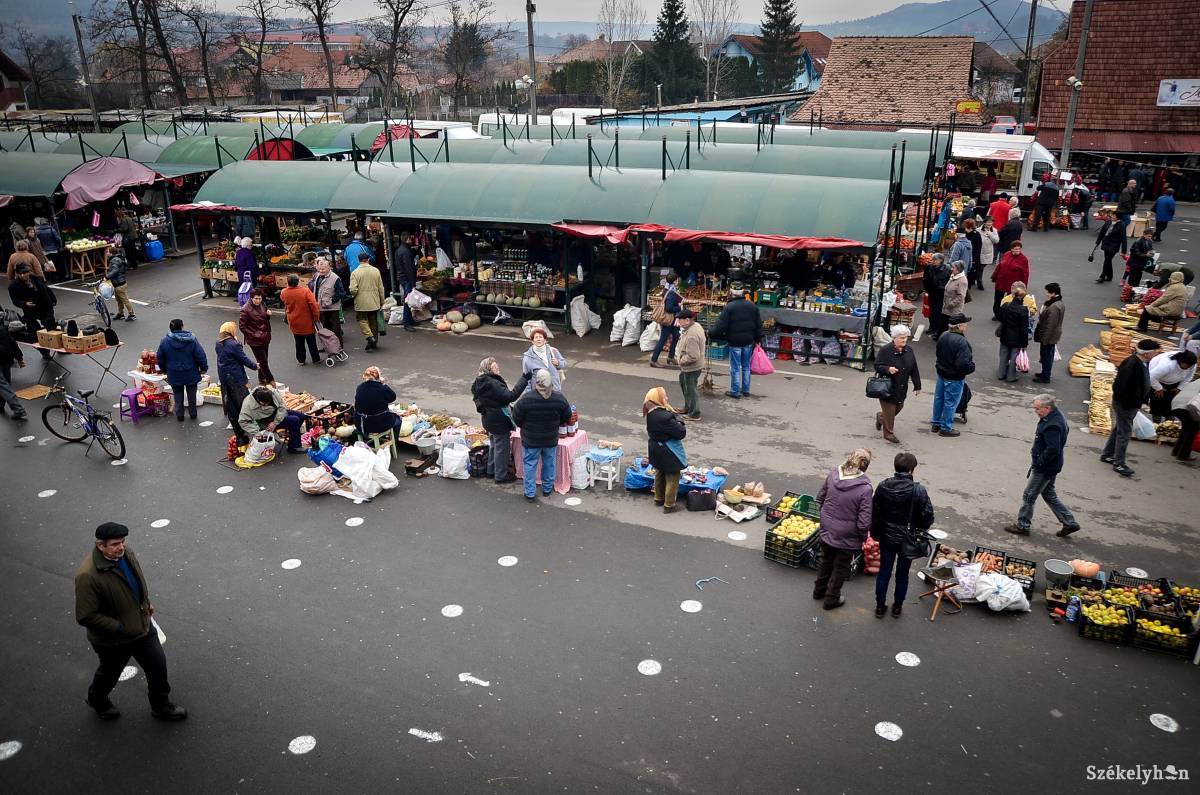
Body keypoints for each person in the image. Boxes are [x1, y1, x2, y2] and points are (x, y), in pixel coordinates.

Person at [75, 522, 187, 721]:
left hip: (142, 627)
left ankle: (161, 705)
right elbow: (86, 615)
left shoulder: (126, 554)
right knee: (110, 674)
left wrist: (145, 602)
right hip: (113, 640)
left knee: (157, 666)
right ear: (100, 545)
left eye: (122, 542)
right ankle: (97, 699)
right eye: (115, 544)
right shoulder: (88, 576)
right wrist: (119, 628)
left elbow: (135, 582)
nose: (121, 547)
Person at [1004, 394, 1081, 538]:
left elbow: (1053, 448)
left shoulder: (1053, 425)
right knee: (1049, 494)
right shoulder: (1056, 416)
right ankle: (1069, 522)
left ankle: (1023, 525)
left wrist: (1039, 461)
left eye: (1038, 408)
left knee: (1029, 495)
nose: (1036, 411)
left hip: (1045, 468)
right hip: (1052, 465)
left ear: (1047, 408)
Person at [871, 452, 935, 618]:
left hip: (887, 536)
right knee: (902, 574)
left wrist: (876, 534)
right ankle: (897, 607)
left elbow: (875, 513)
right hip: (908, 539)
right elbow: (928, 517)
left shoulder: (883, 486)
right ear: (912, 470)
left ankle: (879, 607)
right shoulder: (918, 490)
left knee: (884, 572)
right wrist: (918, 529)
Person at [813, 449, 873, 610]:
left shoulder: (833, 475)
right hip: (847, 536)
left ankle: (819, 590)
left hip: (827, 528)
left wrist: (826, 520)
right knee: (840, 567)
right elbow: (864, 521)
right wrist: (862, 538)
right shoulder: (865, 488)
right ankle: (831, 598)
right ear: (865, 465)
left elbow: (820, 498)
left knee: (825, 559)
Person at [1101, 339, 1160, 477]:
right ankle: (1119, 463)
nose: (1156, 355)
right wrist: (1127, 403)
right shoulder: (1131, 364)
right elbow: (1119, 386)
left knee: (1119, 429)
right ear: (1147, 354)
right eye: (1155, 352)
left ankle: (1107, 454)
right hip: (1126, 405)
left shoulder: (1141, 363)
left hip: (1130, 404)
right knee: (1124, 433)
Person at [511, 369, 572, 503]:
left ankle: (530, 493)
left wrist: (524, 426)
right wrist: (557, 422)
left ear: (536, 382)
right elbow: (567, 416)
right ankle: (547, 488)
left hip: (530, 439)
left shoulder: (526, 399)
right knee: (549, 464)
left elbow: (516, 418)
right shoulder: (559, 398)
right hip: (550, 439)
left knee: (530, 465)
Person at [472, 357, 528, 483]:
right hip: (498, 421)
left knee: (494, 445)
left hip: (488, 419)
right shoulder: (492, 383)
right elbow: (510, 396)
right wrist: (524, 379)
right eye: (495, 367)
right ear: (488, 370)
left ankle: (491, 471)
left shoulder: (480, 381)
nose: (498, 368)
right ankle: (500, 476)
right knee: (502, 449)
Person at [710, 288, 762, 399]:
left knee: (735, 367)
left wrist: (711, 333)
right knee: (746, 366)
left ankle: (735, 391)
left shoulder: (729, 307)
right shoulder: (752, 306)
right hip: (748, 340)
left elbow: (721, 325)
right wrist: (758, 339)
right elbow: (758, 324)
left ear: (732, 294)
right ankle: (746, 390)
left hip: (735, 341)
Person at [643, 386, 687, 513]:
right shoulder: (666, 416)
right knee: (673, 476)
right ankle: (669, 505)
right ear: (658, 399)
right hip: (668, 450)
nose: (667, 398)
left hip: (655, 448)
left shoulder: (650, 413)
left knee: (660, 473)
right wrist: (679, 419)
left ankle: (658, 498)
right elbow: (681, 433)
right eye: (664, 396)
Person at [873, 325, 920, 443]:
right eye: (901, 338)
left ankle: (881, 417)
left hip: (901, 387)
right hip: (887, 387)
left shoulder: (909, 350)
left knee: (898, 407)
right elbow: (877, 366)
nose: (904, 340)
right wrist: (888, 369)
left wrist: (917, 385)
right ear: (894, 338)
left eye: (905, 338)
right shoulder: (885, 350)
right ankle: (888, 434)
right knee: (890, 410)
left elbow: (914, 368)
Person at [155, 319, 208, 421]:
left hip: (174, 373)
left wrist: (164, 369)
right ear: (182, 327)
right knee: (192, 393)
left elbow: (160, 357)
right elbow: (200, 355)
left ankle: (180, 415)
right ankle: (193, 413)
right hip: (191, 371)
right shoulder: (191, 339)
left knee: (178, 393)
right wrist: (203, 368)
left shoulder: (165, 341)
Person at [216, 322, 258, 444]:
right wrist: (255, 366)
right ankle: (246, 429)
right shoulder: (233, 344)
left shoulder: (218, 343)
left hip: (224, 378)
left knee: (231, 405)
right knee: (243, 404)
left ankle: (238, 433)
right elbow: (243, 358)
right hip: (236, 378)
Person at [931, 314, 973, 437]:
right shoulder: (962, 342)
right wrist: (971, 367)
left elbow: (938, 353)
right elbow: (963, 364)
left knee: (939, 398)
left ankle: (936, 423)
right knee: (950, 402)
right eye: (965, 324)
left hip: (942, 372)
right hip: (954, 377)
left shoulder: (943, 335)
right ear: (960, 326)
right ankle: (946, 427)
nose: (966, 325)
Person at [238, 386, 304, 453]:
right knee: (294, 420)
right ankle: (294, 447)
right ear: (258, 400)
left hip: (277, 415)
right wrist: (256, 433)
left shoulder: (272, 392)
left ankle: (292, 437)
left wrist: (275, 422)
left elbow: (282, 406)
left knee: (301, 416)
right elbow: (243, 421)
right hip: (265, 422)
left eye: (268, 402)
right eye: (264, 404)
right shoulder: (248, 404)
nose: (266, 404)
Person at [280, 274, 320, 365]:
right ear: (298, 281)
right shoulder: (305, 291)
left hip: (293, 321)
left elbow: (284, 302)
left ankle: (301, 360)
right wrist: (316, 318)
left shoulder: (284, 292)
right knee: (311, 341)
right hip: (307, 320)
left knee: (298, 342)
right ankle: (315, 358)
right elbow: (314, 306)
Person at [349, 252, 385, 350]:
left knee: (361, 319)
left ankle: (369, 336)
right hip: (374, 300)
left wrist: (354, 295)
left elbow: (353, 289)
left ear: (358, 260)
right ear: (368, 259)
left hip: (361, 302)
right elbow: (381, 287)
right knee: (373, 321)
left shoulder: (355, 273)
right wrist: (382, 300)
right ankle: (374, 342)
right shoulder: (376, 271)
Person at [1148, 350, 1198, 420]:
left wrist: (1180, 387)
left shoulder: (1192, 365)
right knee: (1157, 396)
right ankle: (1156, 414)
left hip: (1175, 380)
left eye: (1190, 366)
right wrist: (1158, 388)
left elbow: (1189, 377)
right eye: (1187, 366)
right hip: (1158, 379)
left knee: (1171, 397)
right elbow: (1151, 377)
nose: (1189, 368)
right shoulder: (1167, 365)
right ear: (1181, 361)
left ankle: (1168, 414)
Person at [8, 263, 57, 335]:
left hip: (45, 308)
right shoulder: (13, 286)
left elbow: (47, 290)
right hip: (31, 312)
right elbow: (15, 301)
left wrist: (53, 300)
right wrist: (24, 303)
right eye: (20, 273)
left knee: (51, 331)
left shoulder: (38, 279)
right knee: (35, 333)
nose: (22, 275)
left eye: (25, 273)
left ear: (29, 272)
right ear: (17, 274)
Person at [354, 366, 403, 438]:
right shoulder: (381, 387)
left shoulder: (360, 387)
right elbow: (392, 398)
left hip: (361, 424)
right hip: (378, 425)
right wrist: (384, 384)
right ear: (378, 376)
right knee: (398, 420)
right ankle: (395, 442)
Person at [238, 289, 275, 385]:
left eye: (260, 298)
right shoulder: (245, 310)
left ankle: (261, 378)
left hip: (265, 337)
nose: (258, 301)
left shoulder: (262, 305)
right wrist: (254, 335)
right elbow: (242, 327)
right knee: (263, 362)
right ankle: (270, 380)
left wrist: (268, 315)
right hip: (255, 340)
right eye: (256, 299)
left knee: (263, 359)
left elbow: (264, 318)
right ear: (251, 298)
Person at [675, 309, 706, 420]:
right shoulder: (694, 326)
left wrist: (681, 360)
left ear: (687, 320)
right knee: (686, 386)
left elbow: (693, 356)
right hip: (690, 367)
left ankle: (694, 413)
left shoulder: (692, 334)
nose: (678, 322)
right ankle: (688, 407)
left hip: (691, 367)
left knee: (691, 390)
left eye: (680, 320)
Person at [997, 282, 1031, 383]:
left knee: (1003, 354)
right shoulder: (1023, 310)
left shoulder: (1006, 305)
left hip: (1005, 334)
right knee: (1014, 356)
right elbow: (1024, 328)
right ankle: (1011, 376)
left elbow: (1000, 317)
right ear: (1022, 298)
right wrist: (1025, 343)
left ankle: (1001, 373)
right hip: (1017, 337)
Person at [1031, 283, 1065, 384]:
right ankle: (1044, 373)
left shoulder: (1054, 307)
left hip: (1049, 335)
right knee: (1046, 354)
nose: (1046, 294)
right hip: (1051, 334)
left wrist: (1045, 339)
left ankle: (1046, 376)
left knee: (1047, 355)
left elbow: (1051, 325)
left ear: (1053, 293)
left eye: (1048, 292)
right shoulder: (1058, 303)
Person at [309, 257, 345, 345]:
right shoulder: (317, 276)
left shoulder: (335, 278)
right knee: (324, 329)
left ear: (329, 268)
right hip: (320, 308)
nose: (321, 271)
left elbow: (341, 293)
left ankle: (338, 346)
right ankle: (328, 346)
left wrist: (331, 301)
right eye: (320, 269)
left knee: (335, 328)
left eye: (323, 269)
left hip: (332, 308)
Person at [649, 272, 682, 368]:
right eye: (677, 279)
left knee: (676, 336)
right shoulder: (671, 293)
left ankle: (671, 357)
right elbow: (668, 308)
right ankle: (654, 360)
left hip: (672, 320)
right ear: (675, 281)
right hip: (668, 320)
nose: (678, 281)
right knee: (663, 339)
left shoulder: (667, 289)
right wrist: (679, 308)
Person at [991, 240, 1029, 320]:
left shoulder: (1023, 259)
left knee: (1010, 301)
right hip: (1001, 282)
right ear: (1011, 249)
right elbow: (1000, 266)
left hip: (1012, 285)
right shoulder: (1006, 254)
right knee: (997, 300)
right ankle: (997, 314)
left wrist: (1023, 287)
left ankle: (1007, 316)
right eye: (1015, 249)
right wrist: (994, 276)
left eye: (1019, 249)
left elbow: (1025, 274)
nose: (1017, 251)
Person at [521, 327, 567, 392]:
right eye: (536, 337)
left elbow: (564, 363)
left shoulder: (553, 351)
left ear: (545, 340)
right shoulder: (528, 357)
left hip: (555, 389)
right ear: (532, 341)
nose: (538, 339)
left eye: (540, 337)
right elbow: (526, 378)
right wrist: (529, 394)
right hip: (538, 392)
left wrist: (558, 363)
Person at [0, 317, 27, 421]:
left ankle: (18, 409)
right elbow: (12, 343)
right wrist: (19, 358)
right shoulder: (2, 328)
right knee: (5, 383)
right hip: (6, 358)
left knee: (3, 386)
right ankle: (1, 404)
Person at [1169, 379, 1200, 461]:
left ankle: (1176, 451)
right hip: (1187, 406)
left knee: (1186, 428)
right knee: (1193, 429)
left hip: (1176, 404)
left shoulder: (1196, 381)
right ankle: (1183, 454)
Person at [923, 253, 951, 340]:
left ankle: (936, 329)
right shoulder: (929, 267)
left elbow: (948, 282)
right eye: (933, 259)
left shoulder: (946, 269)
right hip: (931, 292)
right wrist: (926, 289)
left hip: (940, 294)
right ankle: (932, 327)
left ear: (941, 261)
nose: (934, 261)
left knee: (938, 312)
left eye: (936, 260)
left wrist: (941, 288)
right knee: (930, 311)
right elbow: (925, 278)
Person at [105, 245, 136, 322]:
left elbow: (115, 271)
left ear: (111, 253)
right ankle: (121, 313)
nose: (106, 253)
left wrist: (107, 276)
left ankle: (132, 314)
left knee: (125, 300)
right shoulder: (116, 259)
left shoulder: (114, 260)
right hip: (118, 283)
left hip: (119, 284)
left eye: (107, 252)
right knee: (119, 300)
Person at [1094, 210, 1125, 283]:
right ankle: (1110, 276)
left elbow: (1123, 238)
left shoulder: (1121, 225)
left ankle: (1102, 276)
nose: (1112, 216)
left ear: (1118, 217)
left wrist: (1123, 251)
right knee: (1108, 260)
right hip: (1106, 243)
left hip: (1114, 245)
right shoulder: (1108, 222)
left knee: (1107, 260)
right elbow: (1102, 233)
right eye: (1112, 215)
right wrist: (1097, 243)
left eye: (1114, 215)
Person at [395, 232, 418, 331]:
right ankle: (407, 323)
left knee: (407, 299)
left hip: (402, 277)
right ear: (407, 239)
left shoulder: (399, 250)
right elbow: (409, 268)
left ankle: (409, 320)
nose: (411, 240)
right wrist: (413, 283)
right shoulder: (406, 252)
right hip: (407, 279)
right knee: (408, 300)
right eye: (410, 239)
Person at [940, 260, 968, 336]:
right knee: (944, 324)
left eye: (953, 268)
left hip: (953, 309)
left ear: (958, 269)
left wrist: (950, 304)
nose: (951, 269)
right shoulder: (954, 276)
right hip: (947, 307)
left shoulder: (962, 281)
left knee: (952, 327)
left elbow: (960, 297)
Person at [996, 207, 1024, 274]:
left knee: (1003, 261)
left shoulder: (1010, 223)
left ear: (1011, 214)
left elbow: (1001, 233)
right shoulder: (1020, 224)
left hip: (1006, 245)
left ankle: (1001, 273)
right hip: (1014, 244)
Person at [978, 216, 999, 287]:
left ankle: (978, 279)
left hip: (988, 252)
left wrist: (990, 234)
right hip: (979, 251)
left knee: (982, 267)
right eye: (988, 222)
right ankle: (979, 281)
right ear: (984, 222)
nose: (989, 224)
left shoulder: (994, 230)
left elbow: (996, 240)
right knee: (979, 267)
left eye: (991, 222)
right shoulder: (978, 230)